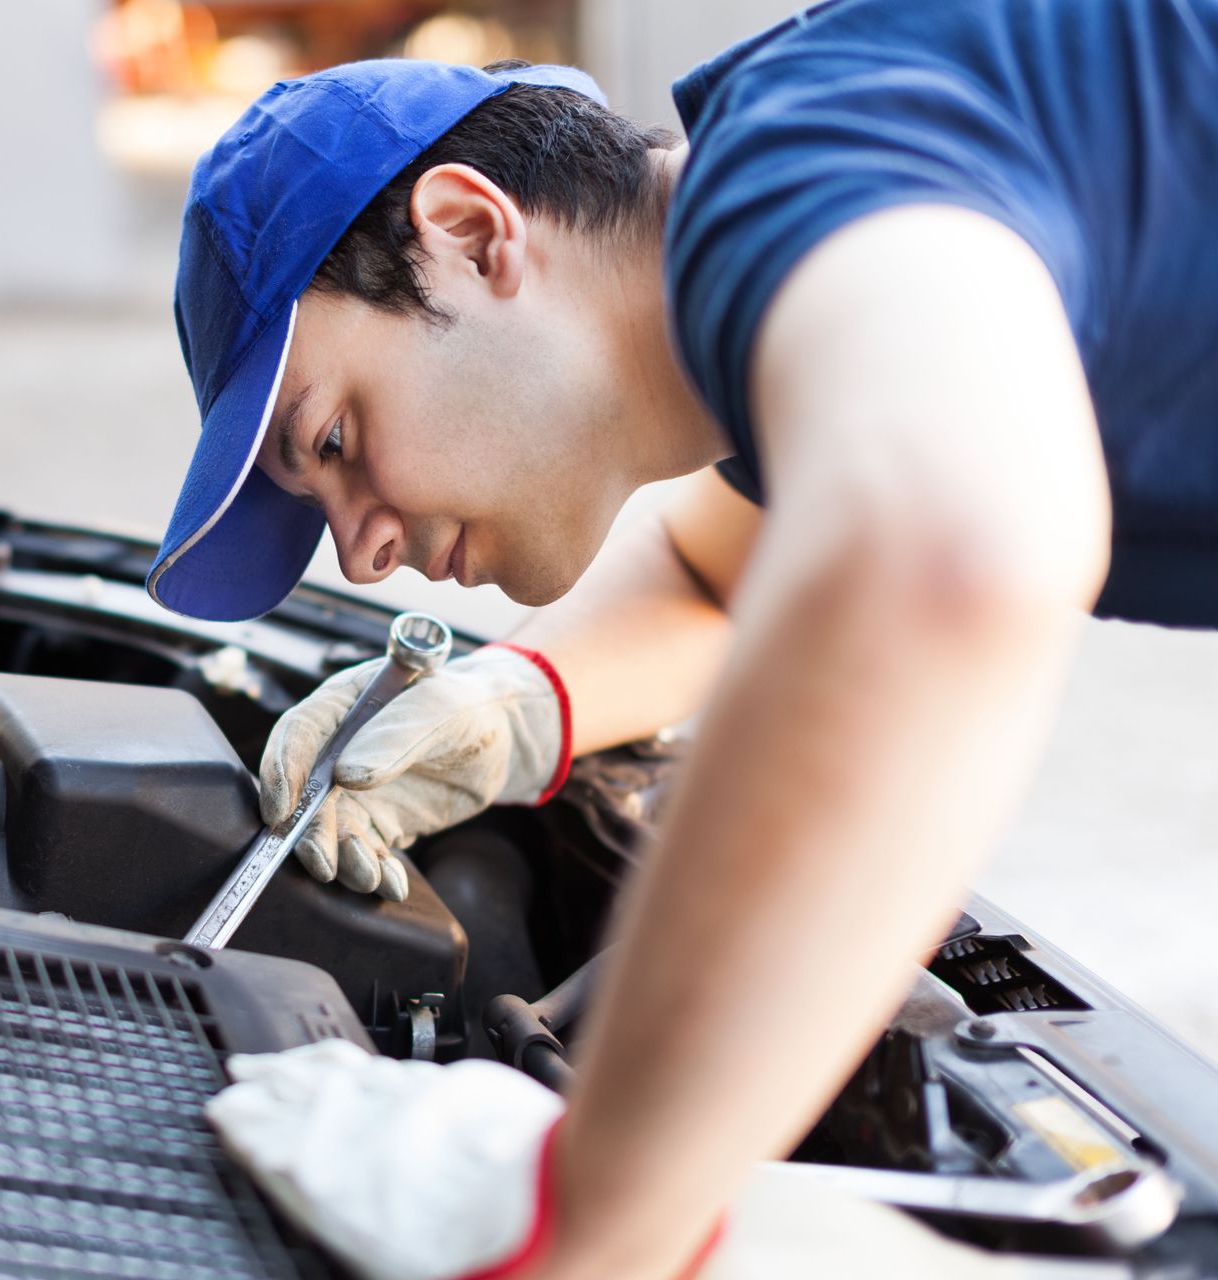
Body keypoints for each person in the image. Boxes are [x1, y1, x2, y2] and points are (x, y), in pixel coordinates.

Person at [143, 1, 1218, 1277]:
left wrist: (592, 1211)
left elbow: (946, 555)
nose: (362, 551)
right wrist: (508, 707)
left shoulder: (808, 154)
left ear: (475, 234)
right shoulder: (796, 296)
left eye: (332, 442)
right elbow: (722, 577)